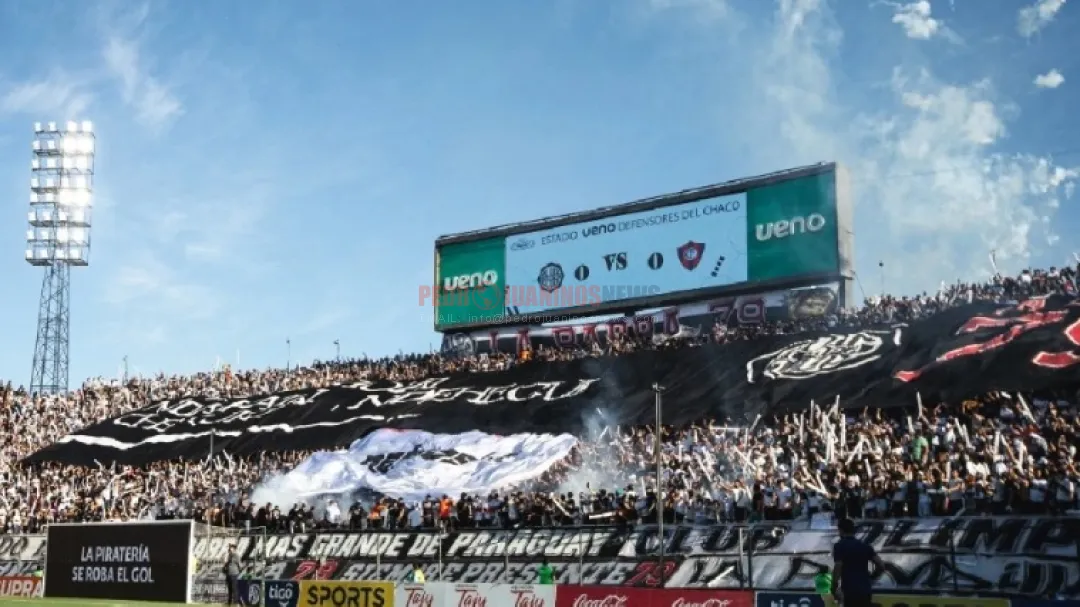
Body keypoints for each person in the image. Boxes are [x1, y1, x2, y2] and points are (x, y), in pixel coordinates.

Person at [830, 518, 885, 607]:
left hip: (849, 591)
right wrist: (872, 577)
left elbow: (838, 566)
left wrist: (834, 585)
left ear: (841, 530)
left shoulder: (839, 546)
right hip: (865, 590)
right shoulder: (865, 546)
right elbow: (881, 565)